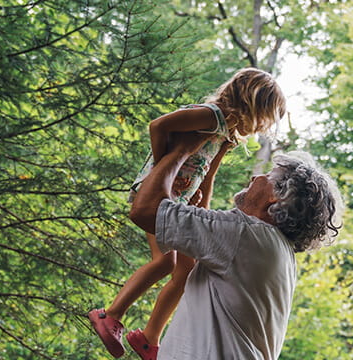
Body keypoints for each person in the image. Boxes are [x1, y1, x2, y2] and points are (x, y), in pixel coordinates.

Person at [89, 68, 287, 359]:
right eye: (262, 119)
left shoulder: (225, 134)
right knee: (165, 263)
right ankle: (110, 314)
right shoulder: (210, 116)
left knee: (187, 270)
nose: (259, 128)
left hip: (179, 201)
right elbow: (159, 126)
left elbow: (208, 176)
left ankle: (148, 338)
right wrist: (162, 173)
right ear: (249, 102)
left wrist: (201, 213)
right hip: (156, 195)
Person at [127, 145, 342, 360]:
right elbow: (205, 226)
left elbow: (144, 210)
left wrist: (181, 151)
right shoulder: (273, 249)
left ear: (277, 196)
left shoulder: (245, 234)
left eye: (267, 175)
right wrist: (209, 169)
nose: (255, 177)